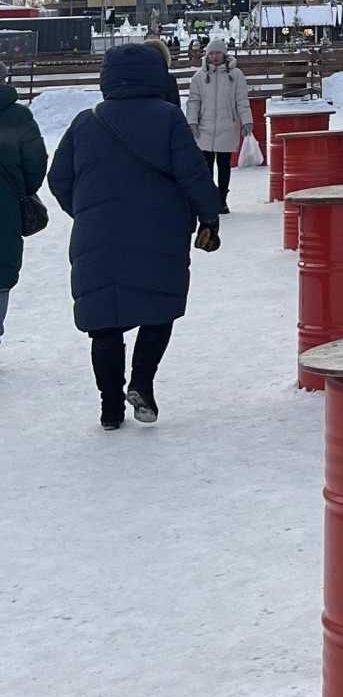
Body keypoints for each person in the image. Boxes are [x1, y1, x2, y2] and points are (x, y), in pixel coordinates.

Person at [47, 46, 222, 428]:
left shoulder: (84, 122)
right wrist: (209, 215)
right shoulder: (168, 118)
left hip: (98, 235)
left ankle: (110, 407)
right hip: (161, 230)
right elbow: (194, 174)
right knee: (159, 308)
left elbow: (58, 178)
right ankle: (142, 382)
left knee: (104, 320)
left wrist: (85, 212)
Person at [0, 75, 49, 344]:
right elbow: (36, 162)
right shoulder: (19, 116)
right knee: (1, 269)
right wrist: (22, 192)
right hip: (5, 207)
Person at [184, 40, 251, 212]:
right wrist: (192, 121)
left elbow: (242, 101)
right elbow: (194, 101)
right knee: (206, 168)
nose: (214, 57)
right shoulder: (199, 77)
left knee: (224, 165)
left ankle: (222, 199)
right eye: (211, 53)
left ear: (224, 54)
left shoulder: (236, 75)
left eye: (217, 53)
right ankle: (209, 199)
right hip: (205, 127)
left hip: (227, 125)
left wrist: (247, 121)